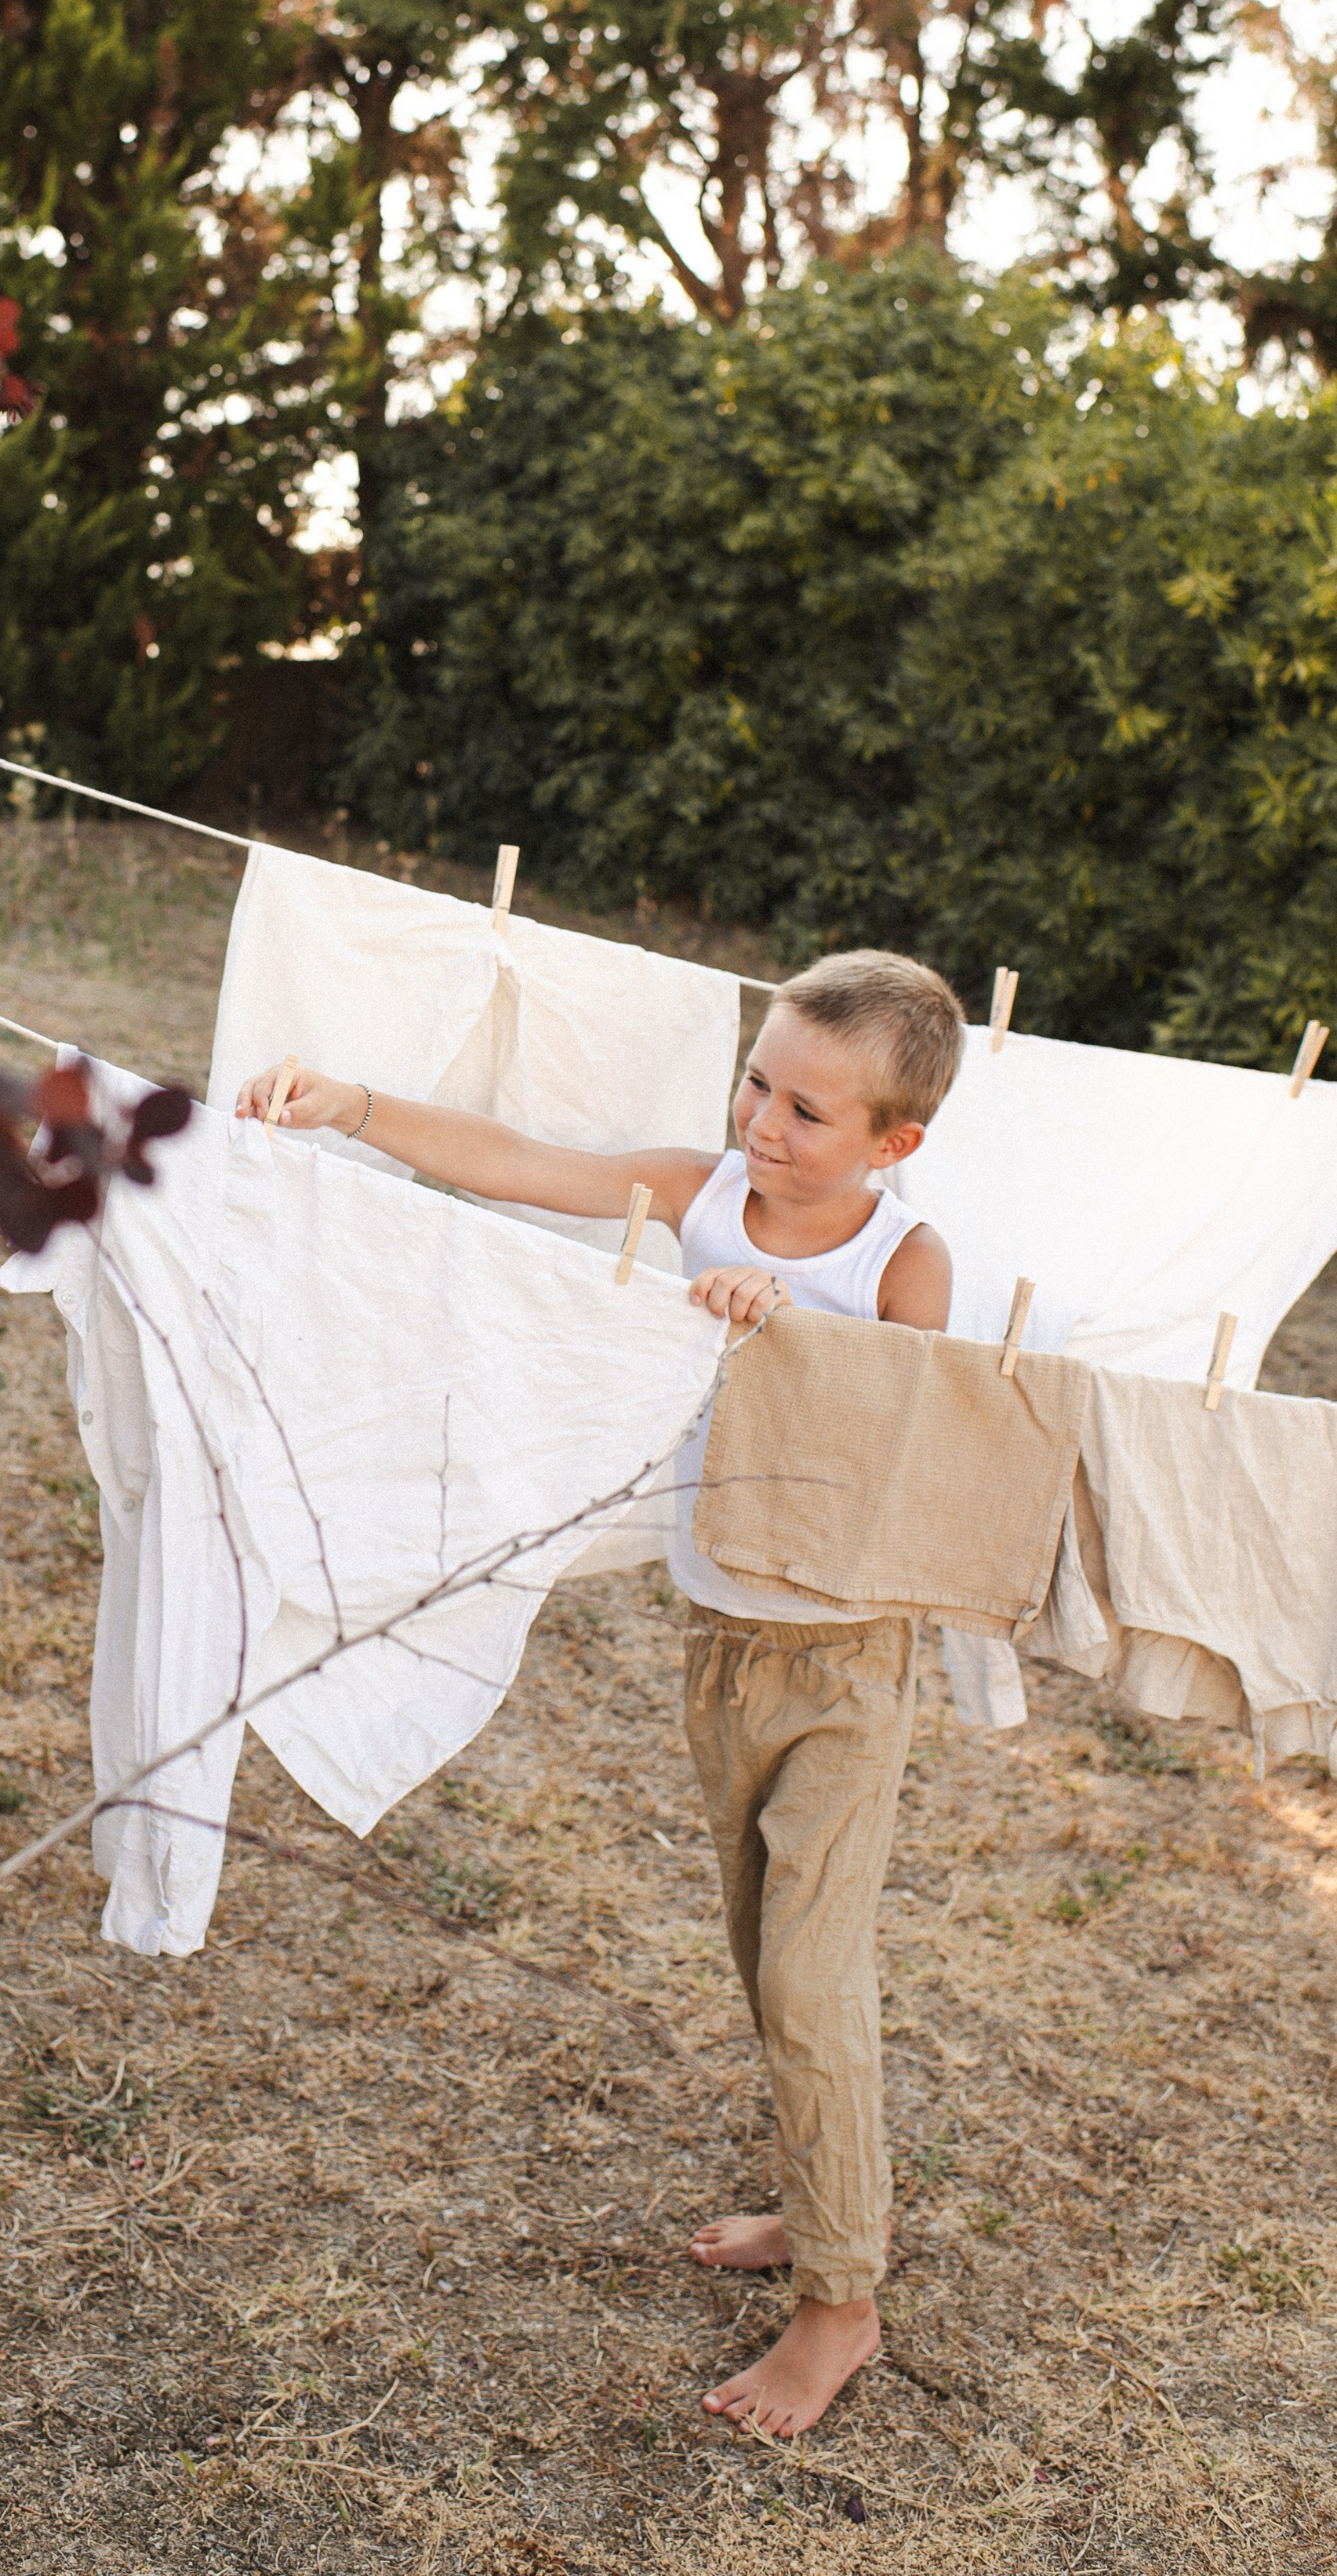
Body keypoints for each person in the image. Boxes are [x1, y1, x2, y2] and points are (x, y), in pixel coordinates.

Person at [236, 945, 967, 2440]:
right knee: (766, 1949)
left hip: (846, 1653)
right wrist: (356, 1104)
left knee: (812, 1978)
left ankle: (843, 2305)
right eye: (760, 1082)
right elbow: (521, 1163)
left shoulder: (903, 1258)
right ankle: (822, 2201)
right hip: (724, 1639)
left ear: (892, 1144)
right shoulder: (704, 1188)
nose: (765, 1124)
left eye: (810, 1114)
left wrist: (791, 1325)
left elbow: (900, 1433)